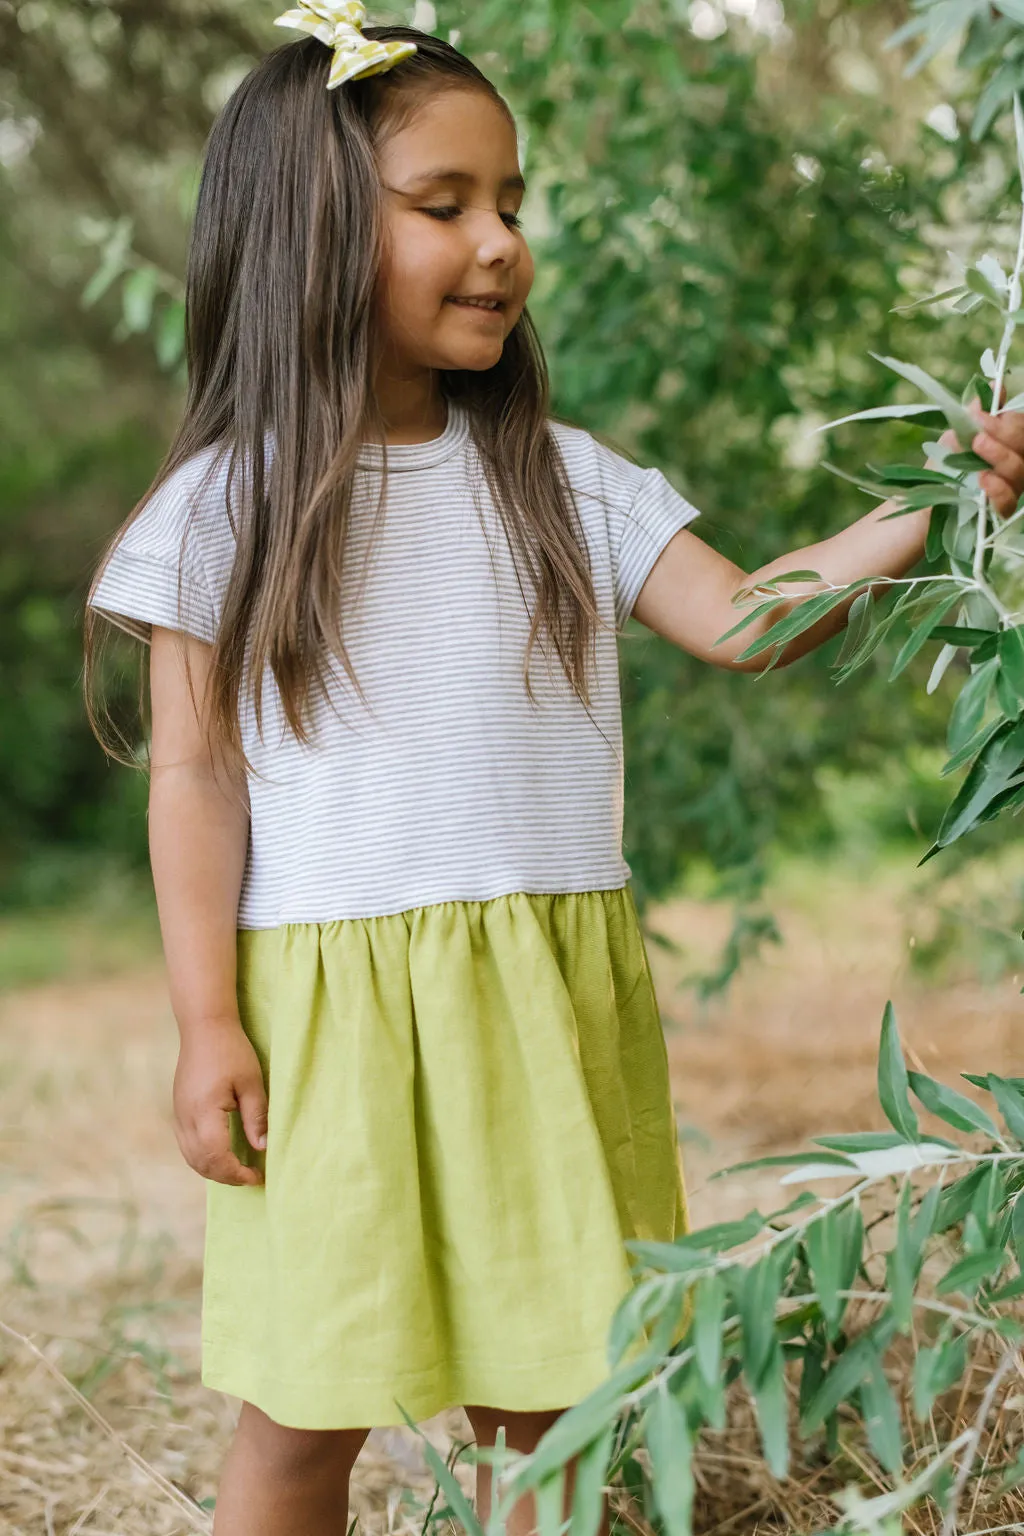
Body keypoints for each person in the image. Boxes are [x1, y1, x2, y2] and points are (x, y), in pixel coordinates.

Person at [84, 4, 1024, 1533]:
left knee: (563, 1403)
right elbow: (192, 778)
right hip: (331, 1025)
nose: (500, 242)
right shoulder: (222, 510)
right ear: (313, 228)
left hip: (545, 997)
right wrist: (206, 1023)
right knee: (307, 1411)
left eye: (511, 202)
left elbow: (748, 617)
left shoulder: (562, 479)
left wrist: (942, 490)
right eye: (443, 205)